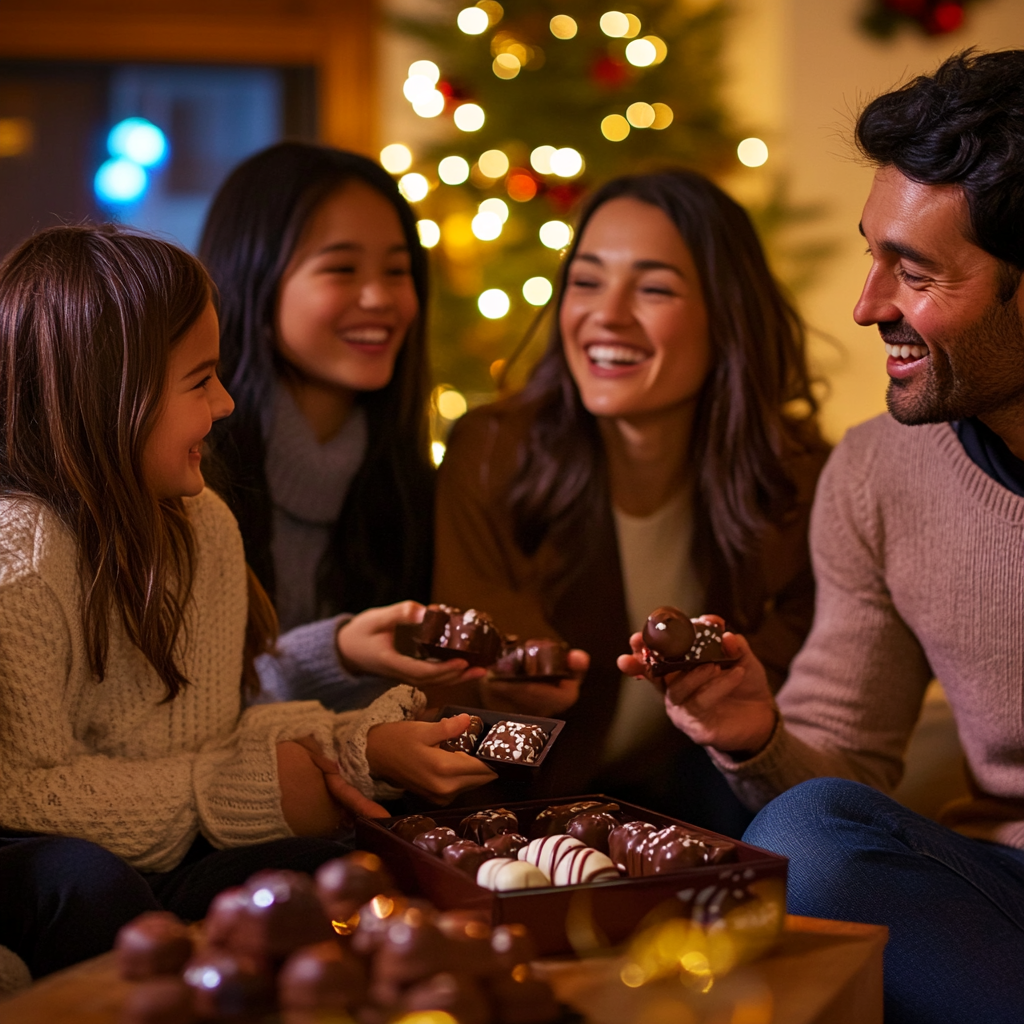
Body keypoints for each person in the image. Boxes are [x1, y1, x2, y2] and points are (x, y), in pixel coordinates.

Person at [619, 50, 1024, 1023]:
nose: (866, 304)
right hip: (998, 898)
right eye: (872, 253)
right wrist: (756, 733)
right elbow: (846, 763)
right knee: (807, 835)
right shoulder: (879, 472)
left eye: (914, 272)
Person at [0, 224, 492, 980]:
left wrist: (357, 749)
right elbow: (22, 791)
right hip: (39, 849)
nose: (226, 403)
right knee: (86, 886)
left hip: (155, 841)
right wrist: (219, 792)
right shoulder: (20, 564)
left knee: (348, 865)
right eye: (200, 381)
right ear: (112, 398)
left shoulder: (205, 528)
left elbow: (209, 736)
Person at [436, 170, 829, 831]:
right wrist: (513, 707)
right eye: (586, 281)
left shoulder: (798, 482)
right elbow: (467, 734)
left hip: (701, 809)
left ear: (725, 315)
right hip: (518, 814)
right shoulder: (493, 453)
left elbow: (791, 726)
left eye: (653, 288)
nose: (606, 315)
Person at [198, 142, 486, 711]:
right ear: (253, 278)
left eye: (398, 271)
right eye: (342, 269)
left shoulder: (408, 484)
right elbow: (173, 710)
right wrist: (336, 653)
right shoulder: (186, 472)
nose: (381, 298)